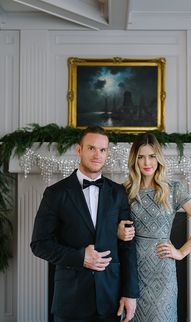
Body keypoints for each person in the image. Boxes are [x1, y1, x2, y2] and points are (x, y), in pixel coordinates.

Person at [30, 126, 139, 322]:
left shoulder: (118, 193)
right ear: (78, 150)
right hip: (70, 300)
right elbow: (39, 244)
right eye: (91, 148)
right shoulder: (55, 194)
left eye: (103, 150)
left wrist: (130, 293)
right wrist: (80, 257)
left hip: (110, 297)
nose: (97, 155)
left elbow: (127, 246)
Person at [117, 132, 191, 322]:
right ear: (134, 160)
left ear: (158, 158)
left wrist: (181, 252)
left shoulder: (174, 189)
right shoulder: (124, 191)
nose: (147, 162)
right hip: (131, 271)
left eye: (152, 156)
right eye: (141, 157)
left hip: (162, 274)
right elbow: (111, 227)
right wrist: (118, 231)